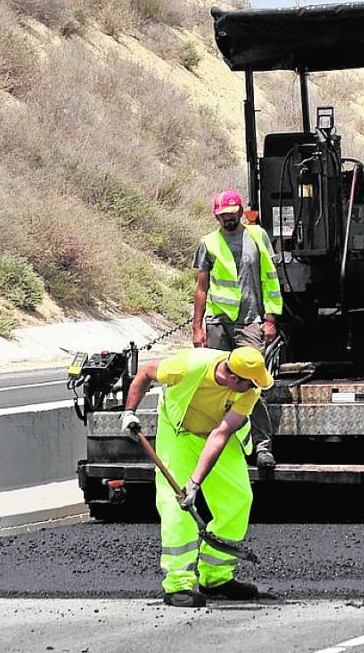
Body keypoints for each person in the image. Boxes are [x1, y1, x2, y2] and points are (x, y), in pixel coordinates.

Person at [121, 346, 272, 607]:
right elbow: (146, 373)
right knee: (176, 506)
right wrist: (129, 412)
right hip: (178, 435)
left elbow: (220, 435)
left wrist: (195, 482)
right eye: (250, 382)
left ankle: (216, 577)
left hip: (214, 435)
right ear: (233, 377)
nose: (254, 387)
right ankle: (178, 585)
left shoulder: (250, 389)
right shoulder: (187, 366)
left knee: (238, 500)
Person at [192, 189, 282, 469]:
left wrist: (270, 318)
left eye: (232, 215)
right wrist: (198, 327)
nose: (228, 220)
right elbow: (201, 288)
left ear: (241, 212)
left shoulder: (257, 236)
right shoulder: (208, 243)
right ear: (216, 217)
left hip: (250, 322)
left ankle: (262, 446)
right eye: (223, 217)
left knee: (252, 384)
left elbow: (270, 277)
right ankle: (215, 446)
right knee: (215, 385)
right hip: (218, 322)